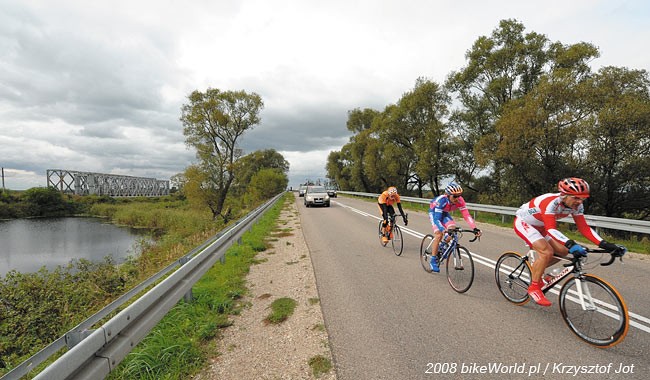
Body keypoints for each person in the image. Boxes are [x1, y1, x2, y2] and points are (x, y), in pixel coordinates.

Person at [514, 177, 626, 307]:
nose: (579, 202)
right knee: (546, 252)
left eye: (583, 198)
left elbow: (584, 228)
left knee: (562, 252)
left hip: (541, 226)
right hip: (525, 223)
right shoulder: (550, 203)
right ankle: (534, 287)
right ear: (564, 195)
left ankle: (537, 273)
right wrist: (571, 243)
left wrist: (605, 244)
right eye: (576, 198)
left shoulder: (577, 206)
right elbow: (551, 229)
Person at [428, 183, 481, 272]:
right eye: (455, 196)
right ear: (448, 195)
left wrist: (474, 228)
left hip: (445, 213)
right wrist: (442, 229)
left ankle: (442, 246)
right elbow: (437, 219)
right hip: (434, 213)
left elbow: (466, 215)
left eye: (459, 196)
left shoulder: (460, 200)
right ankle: (433, 260)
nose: (457, 198)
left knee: (452, 228)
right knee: (439, 234)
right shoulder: (441, 201)